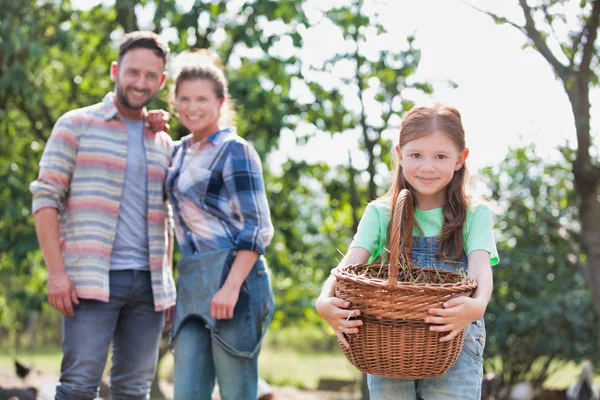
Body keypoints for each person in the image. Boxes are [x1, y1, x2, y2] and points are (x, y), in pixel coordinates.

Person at [315, 104, 499, 399]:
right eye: (416, 155)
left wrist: (475, 308)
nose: (427, 166)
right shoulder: (381, 213)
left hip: (452, 337)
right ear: (399, 155)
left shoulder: (474, 214)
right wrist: (324, 302)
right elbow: (344, 271)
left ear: (460, 160)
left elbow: (481, 275)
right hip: (388, 340)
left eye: (440, 156)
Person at [30, 31, 176, 400]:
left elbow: (169, 216)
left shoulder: (163, 141)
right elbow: (45, 198)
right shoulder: (75, 125)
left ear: (160, 81)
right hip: (89, 281)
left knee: (134, 390)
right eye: (132, 72)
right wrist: (57, 273)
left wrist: (169, 287)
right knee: (78, 387)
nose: (140, 83)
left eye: (149, 76)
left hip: (149, 287)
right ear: (115, 71)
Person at [165, 51, 275, 400]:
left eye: (201, 99)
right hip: (193, 280)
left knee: (237, 392)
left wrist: (229, 288)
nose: (192, 107)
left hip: (237, 281)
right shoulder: (176, 152)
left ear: (220, 101)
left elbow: (256, 227)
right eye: (184, 99)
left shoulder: (234, 150)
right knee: (186, 392)